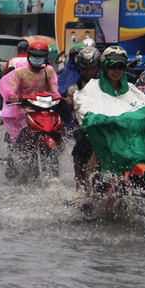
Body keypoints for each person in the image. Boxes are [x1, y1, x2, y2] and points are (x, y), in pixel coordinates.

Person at [72, 46, 145, 207]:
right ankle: (87, 193)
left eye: (121, 67)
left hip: (128, 134)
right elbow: (82, 103)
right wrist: (92, 118)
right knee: (96, 151)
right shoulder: (92, 87)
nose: (117, 70)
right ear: (105, 66)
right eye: (113, 66)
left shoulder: (131, 88)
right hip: (106, 133)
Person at [0, 41, 60, 177]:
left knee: (59, 128)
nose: (37, 58)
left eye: (41, 56)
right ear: (28, 55)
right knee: (22, 134)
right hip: (24, 110)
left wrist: (60, 98)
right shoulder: (20, 73)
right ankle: (15, 158)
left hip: (44, 110)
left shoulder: (49, 71)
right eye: (34, 55)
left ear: (46, 57)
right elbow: (12, 90)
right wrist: (13, 96)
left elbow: (54, 90)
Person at [66, 46, 101, 202]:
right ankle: (80, 186)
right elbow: (77, 114)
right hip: (83, 126)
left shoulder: (108, 85)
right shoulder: (73, 90)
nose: (88, 71)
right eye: (85, 68)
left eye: (92, 67)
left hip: (108, 124)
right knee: (82, 144)